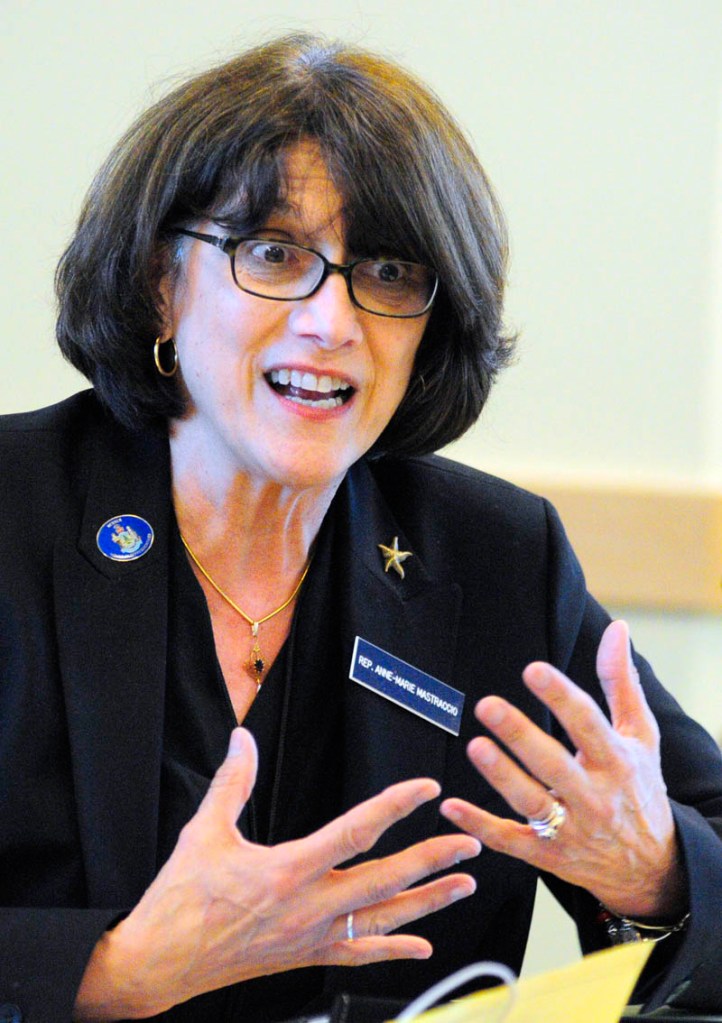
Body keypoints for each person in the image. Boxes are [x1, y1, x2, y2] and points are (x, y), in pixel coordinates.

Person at [1, 32, 722, 1023]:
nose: (331, 321)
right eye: (274, 254)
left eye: (386, 273)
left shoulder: (494, 554)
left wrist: (656, 874)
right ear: (160, 281)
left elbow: (697, 840)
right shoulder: (13, 508)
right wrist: (110, 971)